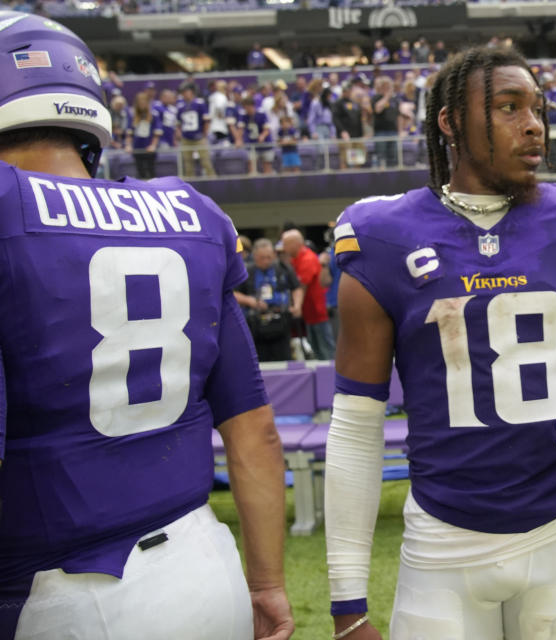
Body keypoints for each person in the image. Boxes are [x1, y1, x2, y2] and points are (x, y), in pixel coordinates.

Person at [324, 46, 556, 640]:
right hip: (443, 540)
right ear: (449, 121)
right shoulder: (381, 236)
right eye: (508, 107)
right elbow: (355, 425)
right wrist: (347, 603)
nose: (534, 124)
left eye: (538, 108)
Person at [0, 12, 293, 640]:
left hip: (59, 592)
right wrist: (266, 583)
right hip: (204, 565)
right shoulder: (192, 211)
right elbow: (255, 431)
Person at [235, 238, 304, 362]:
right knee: (260, 360)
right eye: (262, 258)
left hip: (280, 322)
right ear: (255, 256)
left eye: (269, 257)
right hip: (256, 325)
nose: (267, 261)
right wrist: (250, 301)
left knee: (284, 359)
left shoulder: (283, 268)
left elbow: (296, 288)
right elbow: (233, 293)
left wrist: (297, 305)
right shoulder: (246, 271)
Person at [282, 229, 334, 360]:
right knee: (315, 348)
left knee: (325, 349)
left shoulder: (307, 258)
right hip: (309, 313)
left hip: (318, 312)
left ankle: (331, 376)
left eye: (286, 244)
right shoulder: (295, 259)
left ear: (296, 244)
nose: (284, 248)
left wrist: (297, 306)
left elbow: (301, 287)